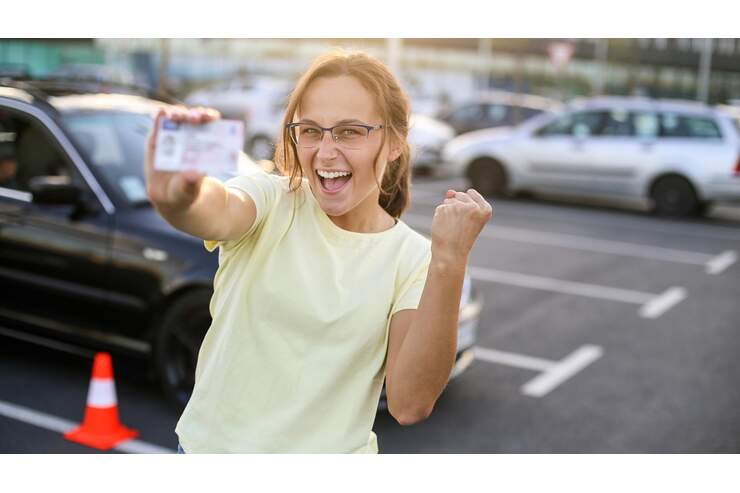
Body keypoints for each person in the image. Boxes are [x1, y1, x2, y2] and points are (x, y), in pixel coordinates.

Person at [145, 50, 492, 453]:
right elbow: (215, 208)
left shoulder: (413, 259)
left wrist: (450, 260)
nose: (326, 152)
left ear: (395, 142)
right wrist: (177, 198)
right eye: (310, 131)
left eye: (349, 132)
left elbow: (411, 403)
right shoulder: (272, 200)